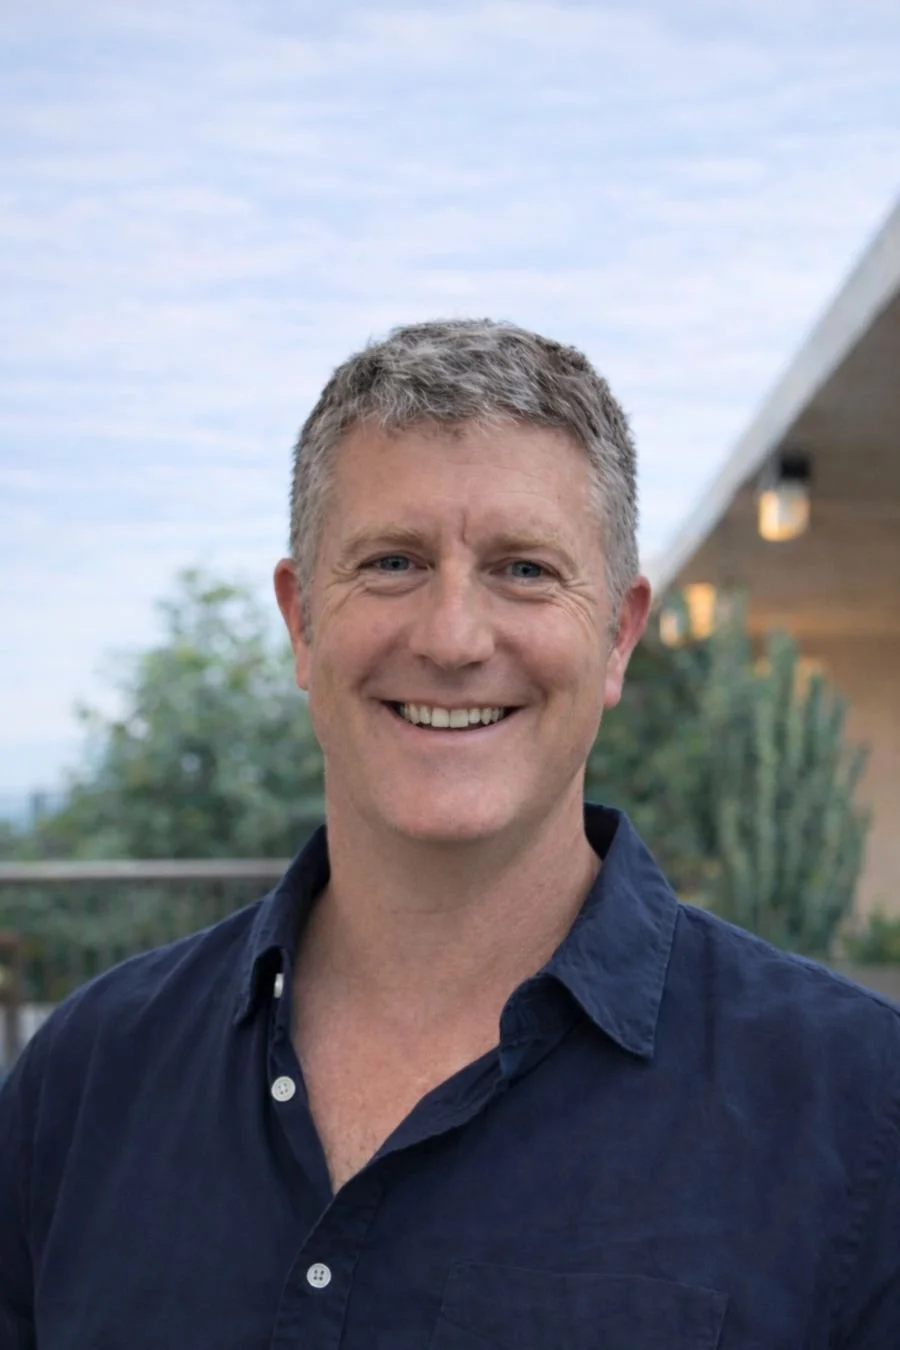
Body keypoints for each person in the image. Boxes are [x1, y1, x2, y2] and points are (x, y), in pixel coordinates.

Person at [1, 319, 898, 1349]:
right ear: (301, 623)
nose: (453, 638)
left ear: (617, 635)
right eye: (392, 562)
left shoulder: (857, 1110)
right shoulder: (83, 1081)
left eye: (523, 569)